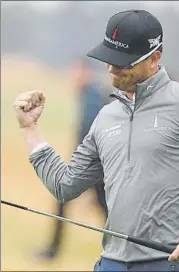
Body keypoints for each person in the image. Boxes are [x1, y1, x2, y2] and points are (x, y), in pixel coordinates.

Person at [13, 9, 179, 272]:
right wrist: (30, 129)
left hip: (170, 262)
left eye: (123, 62)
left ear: (154, 58)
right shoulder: (106, 115)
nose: (111, 69)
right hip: (111, 262)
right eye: (109, 58)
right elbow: (65, 185)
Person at [34, 59, 108, 260]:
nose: (73, 77)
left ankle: (51, 251)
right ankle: (121, 249)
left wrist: (81, 165)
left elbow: (89, 133)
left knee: (70, 199)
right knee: (104, 209)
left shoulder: (92, 96)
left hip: (93, 166)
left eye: (76, 72)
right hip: (95, 166)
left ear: (85, 73)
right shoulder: (89, 94)